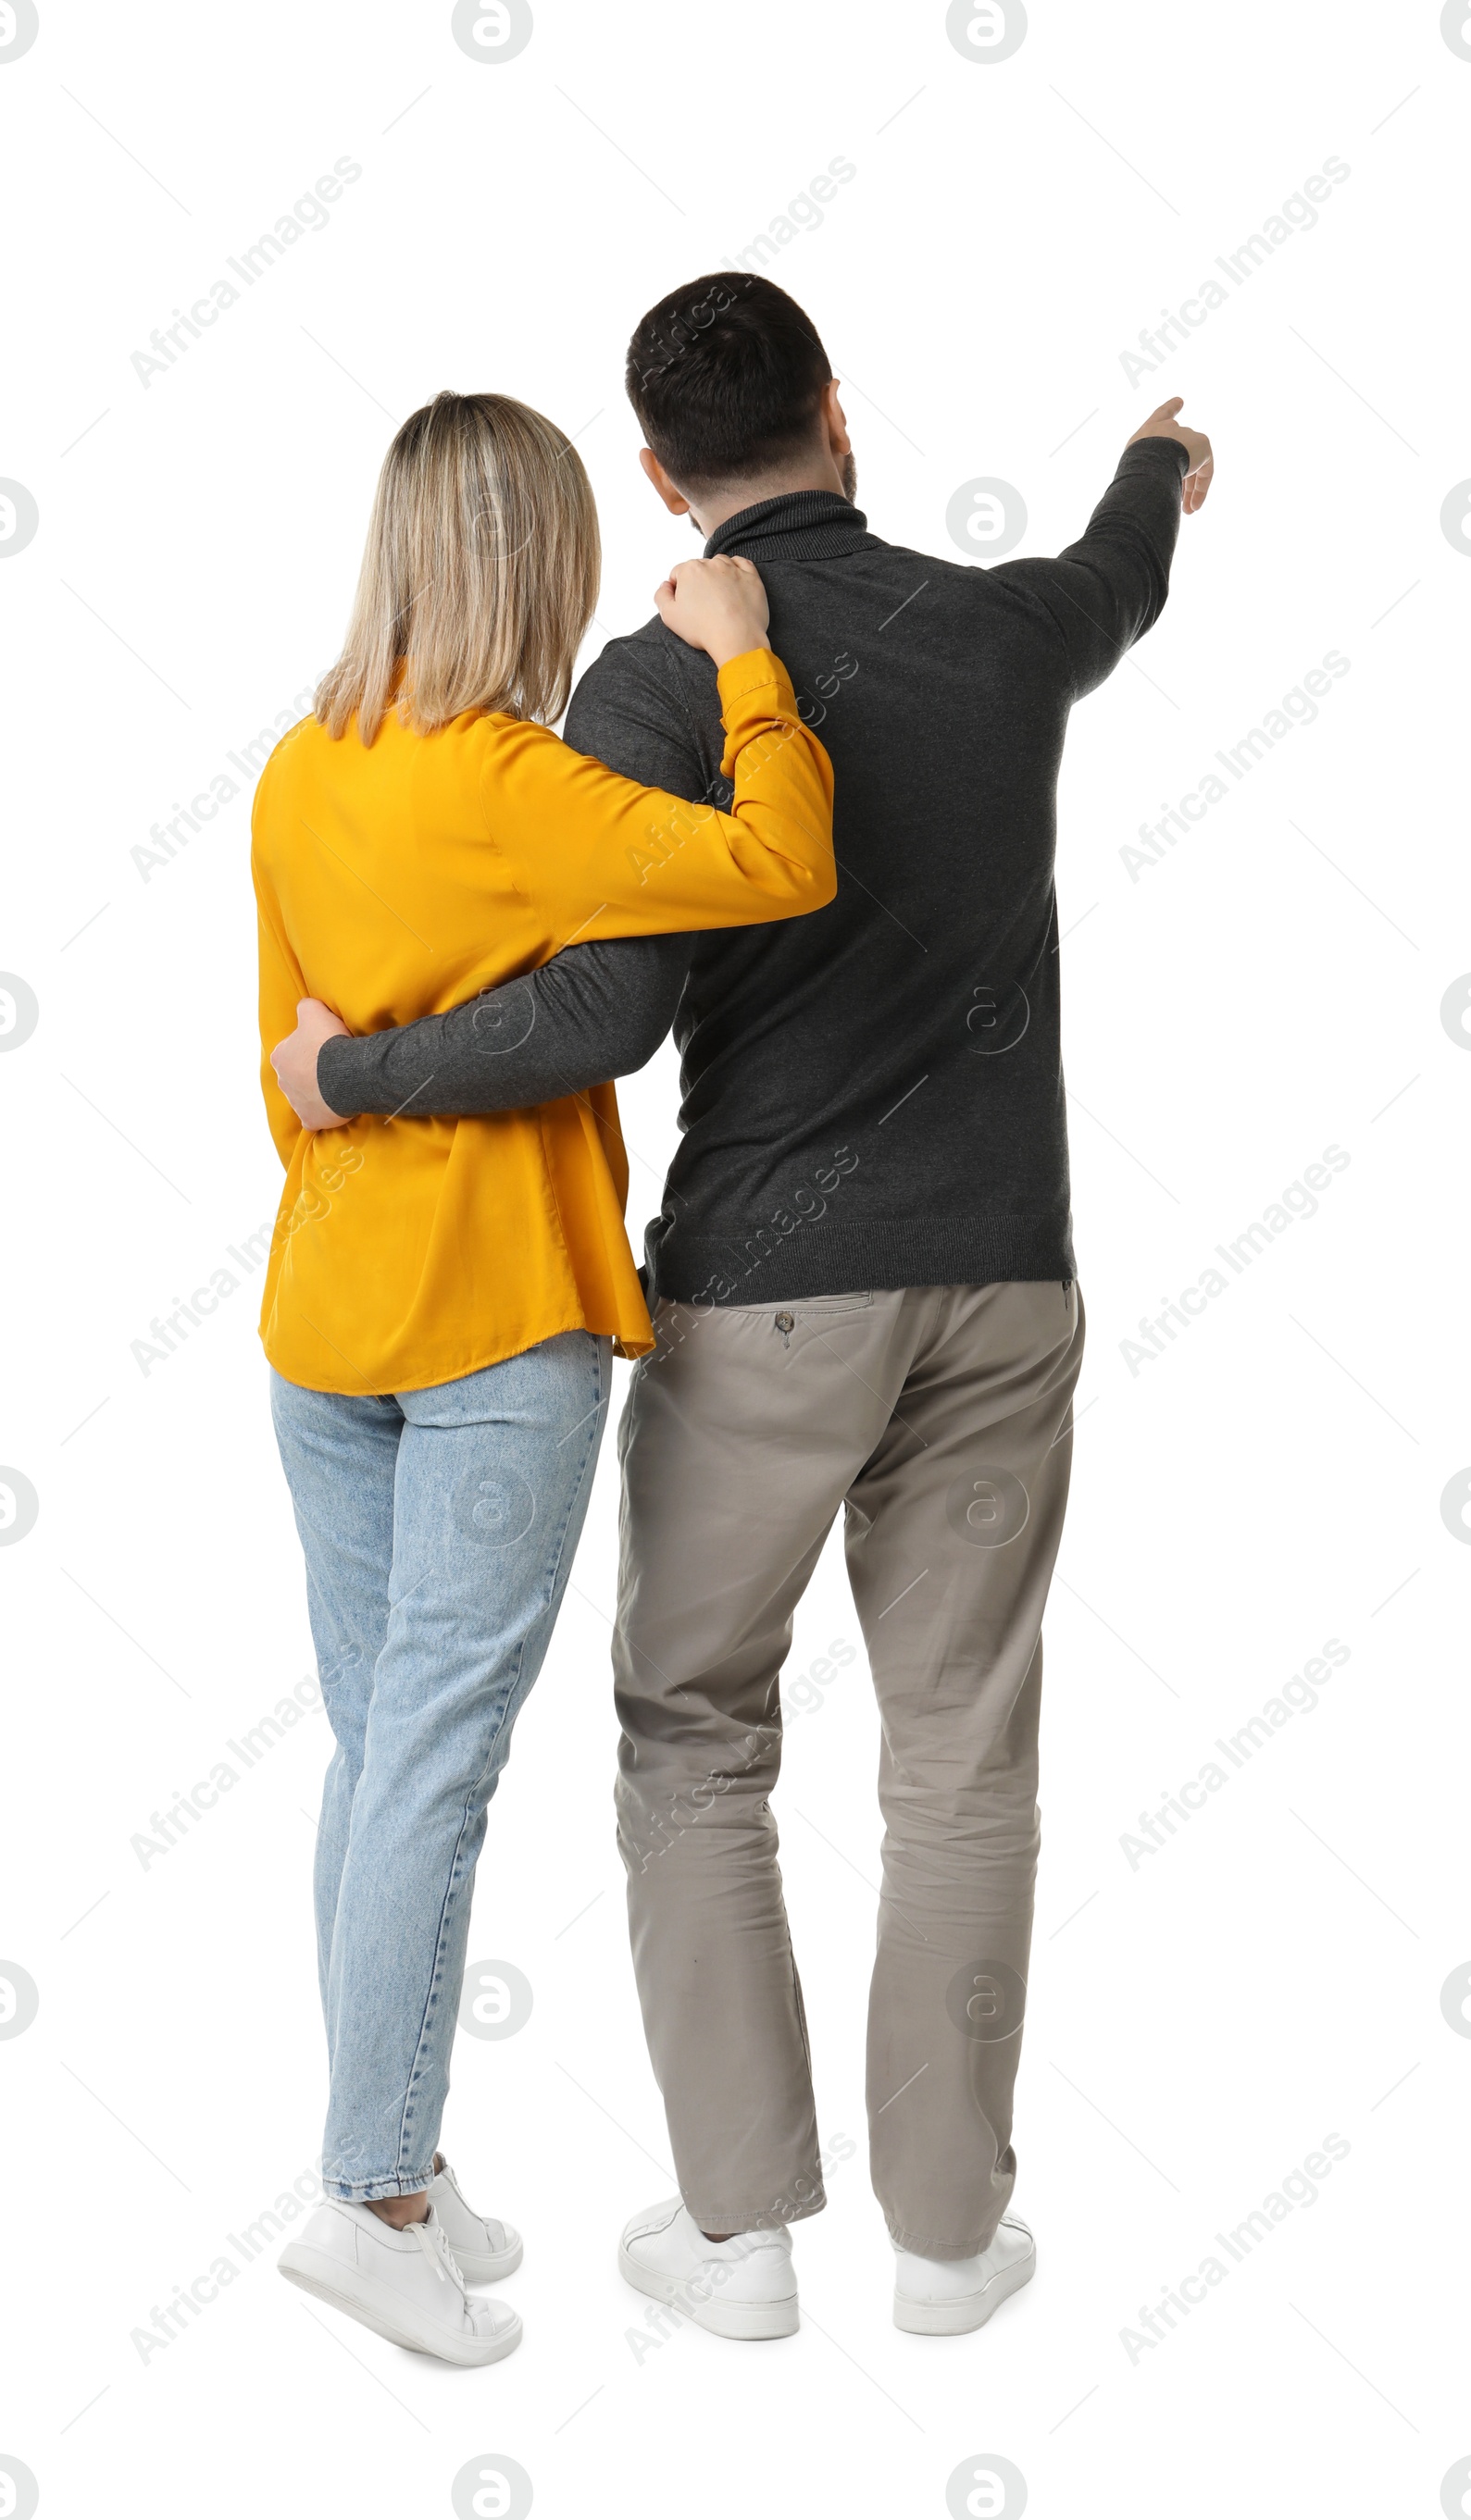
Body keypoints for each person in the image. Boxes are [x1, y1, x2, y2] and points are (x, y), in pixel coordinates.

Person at [272, 278, 1213, 2341]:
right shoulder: (996, 633)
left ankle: (735, 2239)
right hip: (1004, 1279)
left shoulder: (640, 687)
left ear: (656, 477)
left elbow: (599, 1015)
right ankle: (952, 2247)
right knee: (964, 1754)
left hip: (765, 1295)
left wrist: (351, 1076)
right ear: (841, 421)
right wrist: (1162, 459)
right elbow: (1108, 578)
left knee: (694, 1726)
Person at [252, 386, 835, 2366]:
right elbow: (775, 863)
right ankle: (368, 2190)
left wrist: (359, 1110)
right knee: (433, 1753)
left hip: (322, 1325)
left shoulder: (293, 772)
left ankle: (390, 2166)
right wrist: (746, 674)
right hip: (493, 1320)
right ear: (544, 557)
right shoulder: (516, 783)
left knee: (374, 1747)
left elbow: (291, 1070)